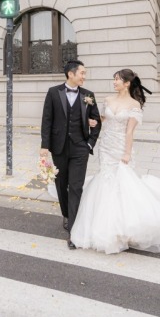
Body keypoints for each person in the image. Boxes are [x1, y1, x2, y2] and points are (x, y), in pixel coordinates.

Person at [70, 69, 160, 254]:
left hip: (121, 146)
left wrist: (127, 153)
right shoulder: (107, 100)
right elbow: (103, 119)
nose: (114, 82)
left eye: (117, 80)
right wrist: (93, 122)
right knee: (106, 180)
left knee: (123, 183)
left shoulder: (134, 105)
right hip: (106, 147)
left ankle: (125, 227)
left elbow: (130, 131)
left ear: (127, 83)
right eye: (114, 79)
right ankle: (107, 224)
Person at [40, 59, 102, 250]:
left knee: (76, 187)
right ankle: (66, 214)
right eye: (82, 73)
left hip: (80, 148)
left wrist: (90, 143)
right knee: (61, 184)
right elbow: (47, 120)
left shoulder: (88, 95)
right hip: (59, 148)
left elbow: (96, 121)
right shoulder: (53, 92)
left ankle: (74, 231)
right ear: (71, 74)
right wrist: (44, 146)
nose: (84, 76)